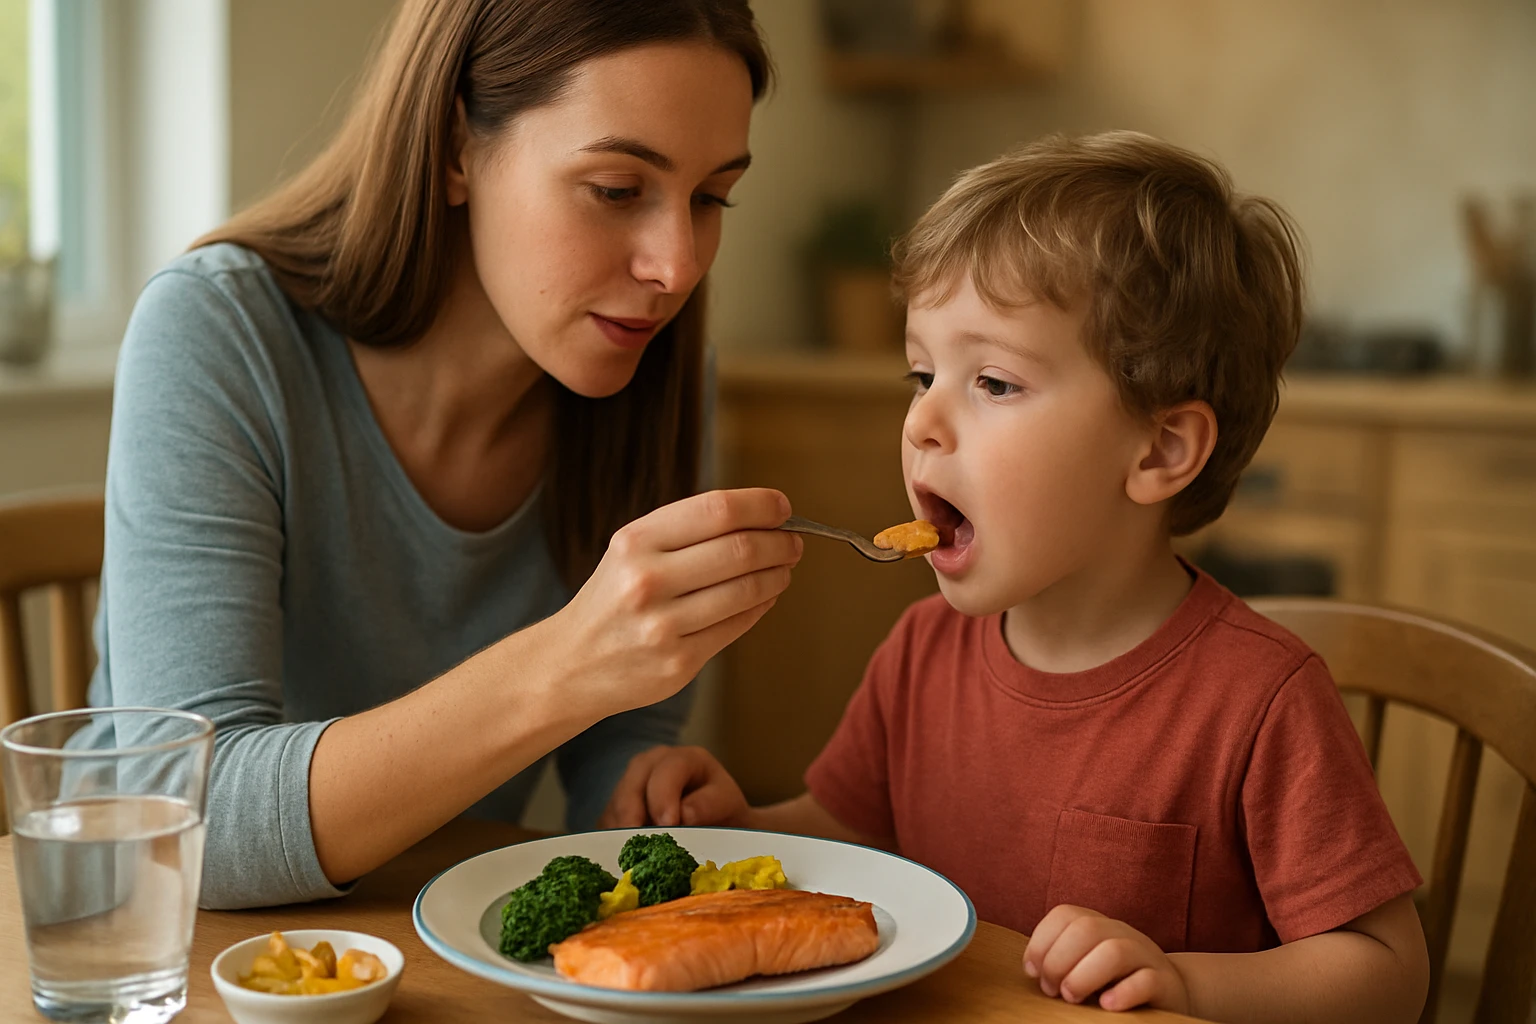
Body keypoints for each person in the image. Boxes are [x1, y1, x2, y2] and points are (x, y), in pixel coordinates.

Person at [601, 132, 1431, 1021]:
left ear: (1158, 449)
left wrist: (1189, 982)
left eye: (992, 382)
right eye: (922, 373)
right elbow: (853, 831)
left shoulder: (1261, 701)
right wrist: (740, 828)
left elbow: (1387, 970)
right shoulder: (921, 652)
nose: (922, 420)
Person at [92, 0, 804, 910]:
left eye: (710, 198)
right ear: (454, 147)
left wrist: (641, 785)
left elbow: (616, 733)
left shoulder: (654, 370)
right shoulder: (218, 332)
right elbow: (189, 826)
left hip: (435, 933)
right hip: (152, 945)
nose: (676, 265)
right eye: (618, 190)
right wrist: (562, 666)